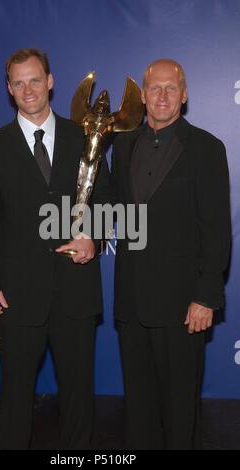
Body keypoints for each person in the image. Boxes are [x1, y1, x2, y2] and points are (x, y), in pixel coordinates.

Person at [0, 48, 110, 450]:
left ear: (50, 81)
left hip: (75, 289)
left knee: (79, 395)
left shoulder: (85, 137)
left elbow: (107, 197)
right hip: (16, 294)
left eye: (35, 80)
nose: (27, 89)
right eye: (18, 83)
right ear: (9, 90)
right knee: (15, 396)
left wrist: (94, 236)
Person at [111, 59, 231, 449]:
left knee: (181, 413)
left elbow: (216, 230)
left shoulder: (208, 149)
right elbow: (113, 212)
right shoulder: (122, 144)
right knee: (139, 411)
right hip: (132, 304)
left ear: (184, 94)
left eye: (171, 88)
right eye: (155, 88)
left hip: (183, 307)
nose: (162, 96)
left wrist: (206, 296)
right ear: (142, 95)